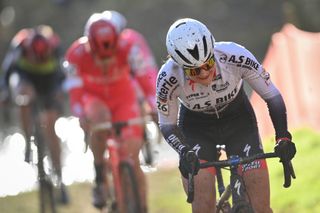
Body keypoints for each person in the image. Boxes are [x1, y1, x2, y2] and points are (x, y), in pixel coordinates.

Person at [156, 18, 296, 213]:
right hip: (197, 129)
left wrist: (283, 137)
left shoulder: (234, 55)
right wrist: (183, 151)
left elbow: (272, 96)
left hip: (239, 122)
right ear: (180, 66)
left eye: (209, 63)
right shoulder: (168, 77)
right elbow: (167, 125)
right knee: (203, 207)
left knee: (262, 208)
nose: (204, 73)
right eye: (195, 70)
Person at [63, 10, 158, 211]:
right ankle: (100, 176)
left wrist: (154, 105)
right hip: (94, 98)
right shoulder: (76, 53)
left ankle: (141, 206)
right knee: (99, 119)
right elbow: (74, 88)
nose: (105, 61)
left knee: (132, 155)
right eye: (100, 57)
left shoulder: (129, 46)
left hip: (123, 97)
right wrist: (80, 113)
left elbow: (144, 77)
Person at [0, 25, 69, 203]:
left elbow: (63, 72)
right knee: (24, 97)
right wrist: (5, 92)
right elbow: (8, 70)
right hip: (26, 78)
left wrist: (62, 91)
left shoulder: (54, 44)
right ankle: (28, 141)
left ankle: (60, 179)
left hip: (49, 81)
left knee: (50, 126)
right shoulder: (21, 42)